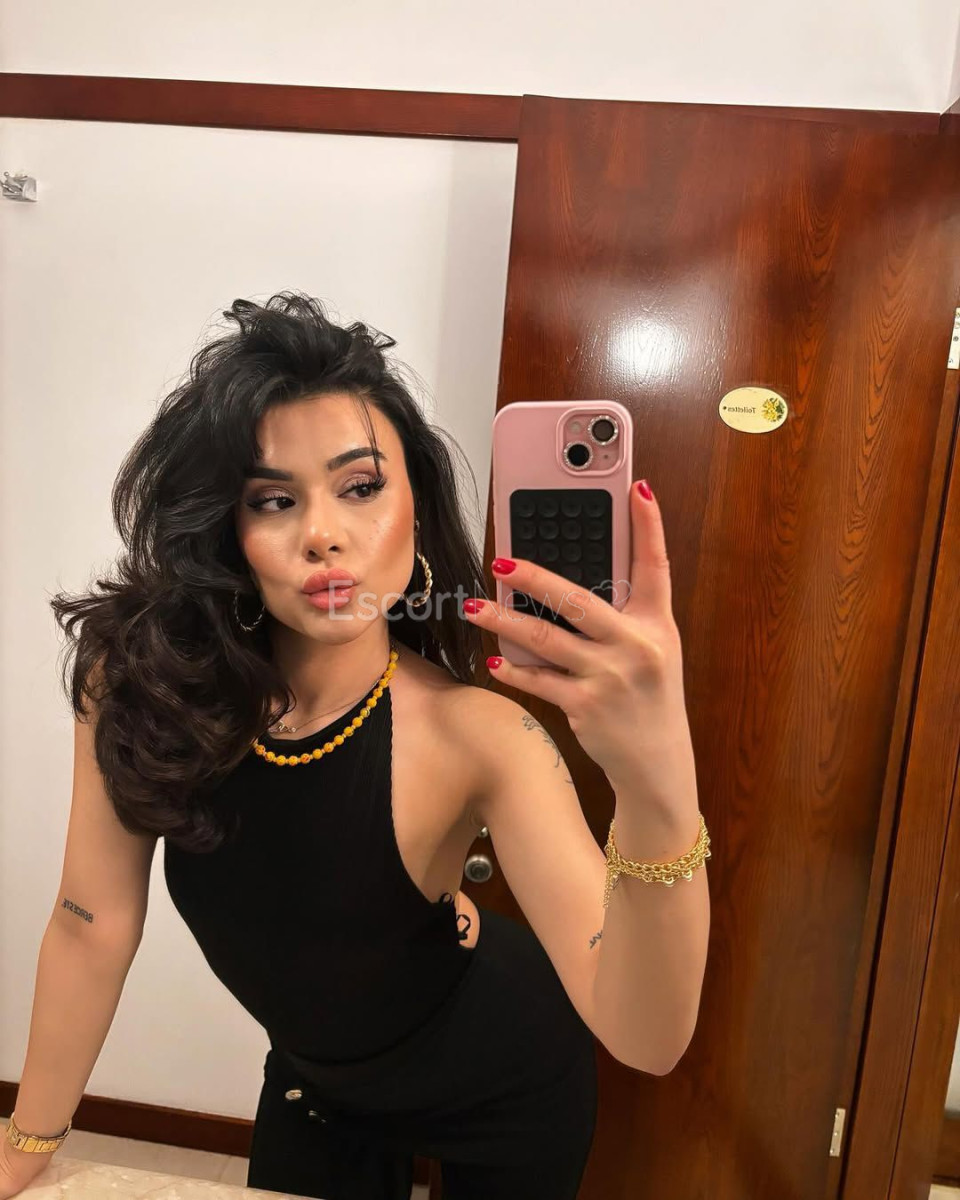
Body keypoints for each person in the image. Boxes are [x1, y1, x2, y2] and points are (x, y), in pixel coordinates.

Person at [2, 292, 605, 1200]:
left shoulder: (483, 735)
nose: (323, 534)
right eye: (274, 500)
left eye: (361, 487)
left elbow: (638, 1016)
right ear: (228, 530)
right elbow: (92, 926)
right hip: (317, 1089)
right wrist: (26, 1142)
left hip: (507, 1078)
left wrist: (655, 770)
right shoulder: (138, 686)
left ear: (414, 506)